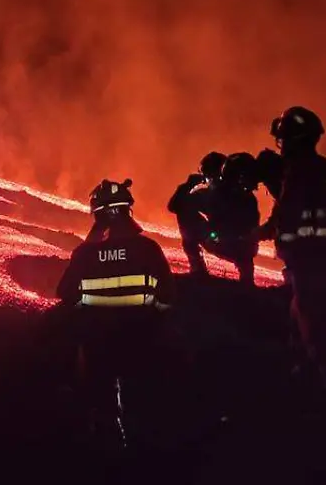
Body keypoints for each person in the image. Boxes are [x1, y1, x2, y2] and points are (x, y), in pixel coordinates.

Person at [57, 178, 176, 437]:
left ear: (98, 214)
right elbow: (168, 294)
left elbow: (65, 293)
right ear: (127, 211)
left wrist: (87, 312)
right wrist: (155, 318)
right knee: (142, 401)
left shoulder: (85, 253)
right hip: (142, 336)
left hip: (97, 340)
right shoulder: (148, 248)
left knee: (99, 400)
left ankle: (103, 446)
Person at [259, 106, 326, 390]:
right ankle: (310, 372)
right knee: (320, 314)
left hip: (308, 263)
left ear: (293, 141)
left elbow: (289, 217)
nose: (281, 147)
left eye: (283, 140)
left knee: (313, 323)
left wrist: (279, 241)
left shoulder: (299, 175)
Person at [200, 152, 261, 285]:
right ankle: (247, 280)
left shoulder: (218, 195)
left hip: (232, 245)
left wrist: (213, 235)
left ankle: (197, 267)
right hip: (244, 249)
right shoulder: (249, 199)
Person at [168, 152, 226, 276]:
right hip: (230, 244)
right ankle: (198, 268)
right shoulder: (207, 195)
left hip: (231, 243)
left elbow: (175, 206)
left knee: (186, 212)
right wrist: (186, 186)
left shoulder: (235, 196)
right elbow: (175, 206)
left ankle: (198, 268)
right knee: (185, 211)